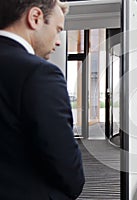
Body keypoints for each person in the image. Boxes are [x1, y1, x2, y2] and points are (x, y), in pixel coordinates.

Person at [0, 0, 85, 199]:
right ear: (35, 18)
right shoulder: (39, 73)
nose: (58, 41)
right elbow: (65, 163)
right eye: (57, 30)